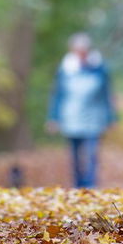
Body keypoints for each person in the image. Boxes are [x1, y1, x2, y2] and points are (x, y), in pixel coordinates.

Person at [46, 32, 116, 188]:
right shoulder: (65, 69)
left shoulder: (99, 68)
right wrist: (53, 118)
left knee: (92, 153)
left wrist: (110, 118)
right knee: (75, 154)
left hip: (94, 118)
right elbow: (58, 94)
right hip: (71, 118)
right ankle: (78, 185)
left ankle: (91, 184)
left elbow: (107, 94)